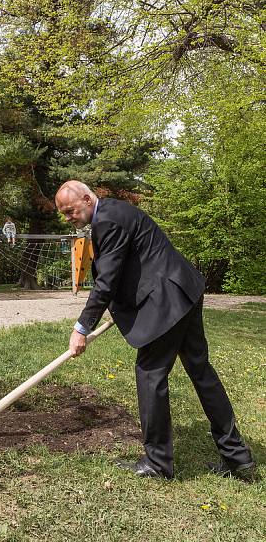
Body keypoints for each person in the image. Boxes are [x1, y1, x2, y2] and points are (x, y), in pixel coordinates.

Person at [55, 180, 255, 480]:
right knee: (201, 372)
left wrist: (81, 327)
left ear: (86, 198)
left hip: (167, 302)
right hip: (183, 291)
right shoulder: (115, 211)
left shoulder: (108, 220)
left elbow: (107, 281)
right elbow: (132, 265)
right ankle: (237, 456)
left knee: (150, 375)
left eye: (71, 211)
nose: (69, 218)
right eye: (64, 214)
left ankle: (158, 463)